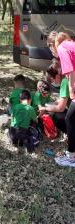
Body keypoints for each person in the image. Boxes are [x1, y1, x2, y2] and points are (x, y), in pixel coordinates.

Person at [48, 31, 75, 166]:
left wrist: (71, 89)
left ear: (53, 45)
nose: (51, 51)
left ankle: (71, 158)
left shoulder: (62, 48)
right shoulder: (69, 44)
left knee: (69, 118)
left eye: (49, 47)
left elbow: (71, 71)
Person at [39, 62, 69, 133]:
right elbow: (65, 98)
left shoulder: (64, 82)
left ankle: (70, 132)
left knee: (57, 117)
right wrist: (57, 102)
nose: (53, 82)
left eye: (52, 80)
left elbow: (60, 108)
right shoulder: (67, 76)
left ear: (57, 76)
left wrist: (45, 108)